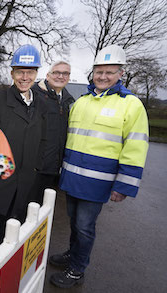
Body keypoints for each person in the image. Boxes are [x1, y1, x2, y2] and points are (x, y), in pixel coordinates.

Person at [49, 45, 149, 288]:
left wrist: (124, 185)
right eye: (99, 71)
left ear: (120, 74)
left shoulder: (131, 105)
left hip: (98, 183)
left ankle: (77, 270)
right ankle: (73, 255)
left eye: (109, 72)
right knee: (74, 222)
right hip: (72, 178)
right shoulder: (81, 102)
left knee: (84, 227)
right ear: (92, 72)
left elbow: (135, 147)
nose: (103, 76)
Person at [0, 44, 47, 249]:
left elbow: (44, 138)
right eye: (20, 72)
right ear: (12, 73)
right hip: (1, 168)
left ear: (36, 73)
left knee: (10, 224)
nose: (25, 77)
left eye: (30, 72)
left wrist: (37, 166)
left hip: (25, 174)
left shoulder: (42, 103)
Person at [30, 61, 74, 204]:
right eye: (56, 72)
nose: (60, 76)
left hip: (53, 167)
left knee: (42, 208)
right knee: (25, 208)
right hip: (33, 167)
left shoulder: (67, 101)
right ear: (48, 75)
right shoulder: (34, 94)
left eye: (65, 73)